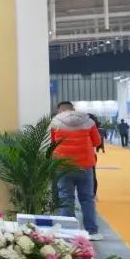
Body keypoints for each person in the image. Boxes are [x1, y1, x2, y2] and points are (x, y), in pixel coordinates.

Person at [50, 101, 103, 240]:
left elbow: (52, 143)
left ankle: (68, 231)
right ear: (73, 109)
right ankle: (92, 232)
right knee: (87, 199)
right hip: (85, 165)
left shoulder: (55, 122)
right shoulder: (89, 121)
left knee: (66, 198)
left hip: (63, 166)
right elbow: (97, 142)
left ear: (60, 110)